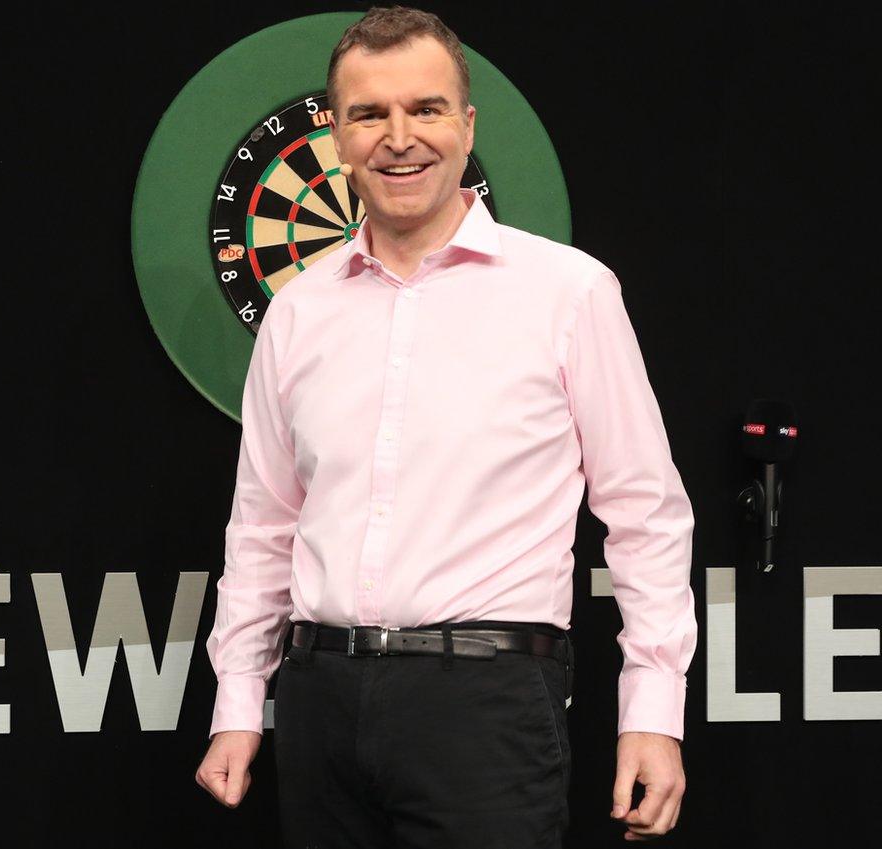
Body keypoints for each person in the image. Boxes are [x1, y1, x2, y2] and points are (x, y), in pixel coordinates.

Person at [195, 6, 695, 846]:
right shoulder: (297, 313)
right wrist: (240, 702)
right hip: (318, 701)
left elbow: (646, 515)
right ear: (336, 135)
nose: (399, 138)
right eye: (369, 114)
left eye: (425, 109)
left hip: (487, 705)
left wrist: (654, 713)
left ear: (466, 127)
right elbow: (263, 528)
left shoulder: (568, 293)